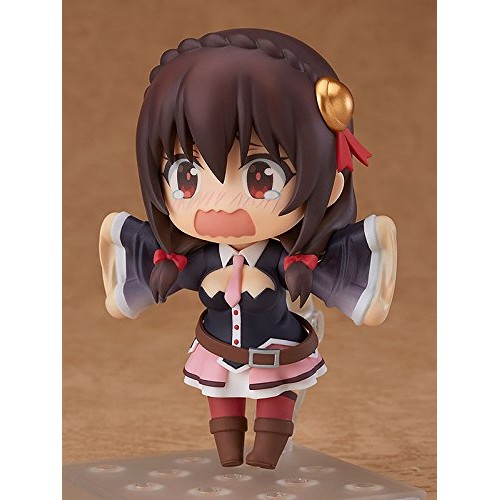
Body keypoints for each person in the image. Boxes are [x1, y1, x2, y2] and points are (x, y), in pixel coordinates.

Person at [99, 28, 397, 470]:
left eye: (261, 176)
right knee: (221, 401)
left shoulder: (286, 262)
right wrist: (160, 275)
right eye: (186, 176)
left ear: (329, 181)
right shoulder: (201, 261)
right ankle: (228, 456)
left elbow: (329, 280)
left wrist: (315, 279)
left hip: (278, 352)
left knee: (276, 401)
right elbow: (167, 274)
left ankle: (266, 458)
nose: (218, 203)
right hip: (219, 351)